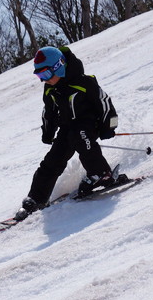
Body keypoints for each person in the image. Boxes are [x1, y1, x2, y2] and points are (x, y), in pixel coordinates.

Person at [15, 46, 124, 221]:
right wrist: (48, 133)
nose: (44, 81)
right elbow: (49, 112)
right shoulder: (51, 89)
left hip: (89, 124)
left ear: (59, 67)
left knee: (78, 136)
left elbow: (104, 102)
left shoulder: (84, 82)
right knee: (53, 158)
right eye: (40, 77)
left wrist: (108, 127)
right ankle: (36, 197)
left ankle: (101, 174)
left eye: (46, 75)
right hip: (67, 126)